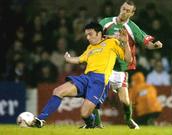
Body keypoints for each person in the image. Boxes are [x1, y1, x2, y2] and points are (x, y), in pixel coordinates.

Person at [32, 22, 132, 128]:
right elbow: (79, 59)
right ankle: (40, 120)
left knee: (84, 114)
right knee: (58, 91)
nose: (88, 37)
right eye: (86, 35)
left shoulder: (112, 43)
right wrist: (68, 59)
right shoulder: (90, 48)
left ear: (99, 33)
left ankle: (91, 123)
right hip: (86, 77)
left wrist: (125, 43)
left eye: (90, 34)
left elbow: (128, 59)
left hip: (99, 81)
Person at [93, 0, 163, 129]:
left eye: (128, 11)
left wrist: (155, 45)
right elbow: (93, 36)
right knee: (94, 94)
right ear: (121, 8)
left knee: (125, 100)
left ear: (132, 13)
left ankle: (129, 119)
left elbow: (146, 42)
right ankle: (96, 124)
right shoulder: (106, 22)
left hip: (120, 68)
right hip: (104, 66)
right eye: (123, 9)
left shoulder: (132, 27)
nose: (124, 12)